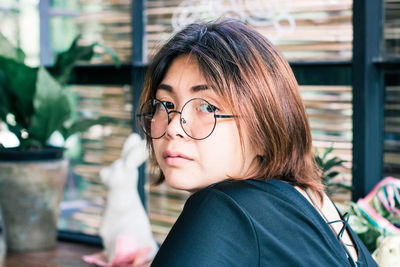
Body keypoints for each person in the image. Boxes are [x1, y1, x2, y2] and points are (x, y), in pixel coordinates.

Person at [136, 19, 378, 267]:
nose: (173, 128)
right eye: (165, 105)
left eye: (207, 107)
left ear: (264, 127)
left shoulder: (222, 207)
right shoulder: (316, 204)